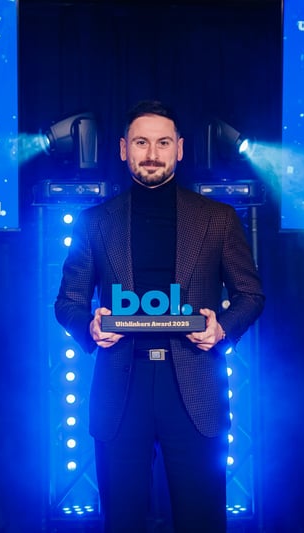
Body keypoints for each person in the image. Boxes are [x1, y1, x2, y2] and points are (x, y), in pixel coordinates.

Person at [54, 100, 265, 532]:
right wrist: (90, 325)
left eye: (163, 142)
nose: (152, 152)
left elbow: (250, 294)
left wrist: (222, 327)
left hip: (193, 387)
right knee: (123, 522)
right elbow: (68, 302)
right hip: (121, 386)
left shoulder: (218, 219)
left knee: (202, 520)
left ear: (180, 148)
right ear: (123, 148)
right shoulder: (94, 222)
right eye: (142, 142)